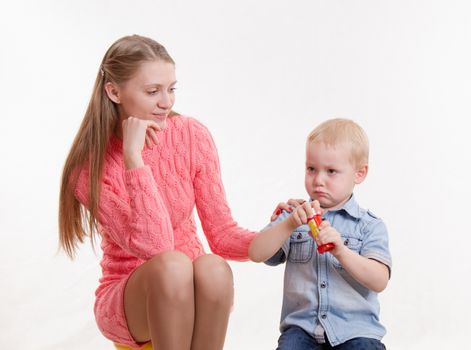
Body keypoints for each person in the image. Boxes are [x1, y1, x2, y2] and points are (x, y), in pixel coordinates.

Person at [58, 34, 294, 350]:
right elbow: (156, 247)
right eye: (153, 91)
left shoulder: (191, 134)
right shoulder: (88, 168)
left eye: (171, 89)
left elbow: (222, 234)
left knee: (213, 267)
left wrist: (283, 227)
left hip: (191, 293)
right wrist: (133, 158)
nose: (166, 102)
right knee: (173, 265)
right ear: (114, 91)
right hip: (131, 298)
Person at [249, 118, 392, 350]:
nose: (318, 180)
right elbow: (256, 252)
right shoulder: (294, 215)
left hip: (356, 331)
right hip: (302, 330)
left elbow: (379, 280)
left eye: (331, 171)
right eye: (311, 169)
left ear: (359, 173)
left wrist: (342, 251)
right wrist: (287, 224)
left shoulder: (368, 225)